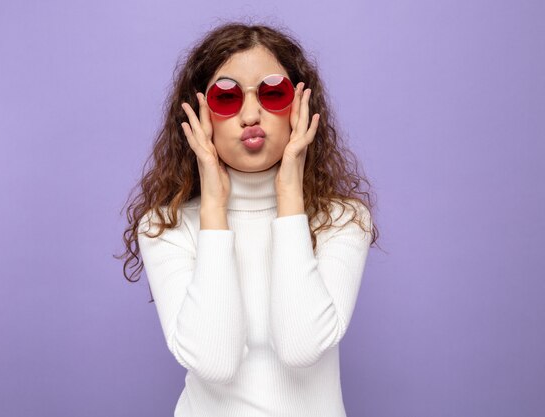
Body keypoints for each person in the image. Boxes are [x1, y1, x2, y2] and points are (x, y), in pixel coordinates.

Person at [117, 21, 379, 417]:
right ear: (198, 113)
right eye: (227, 98)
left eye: (273, 93)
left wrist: (289, 195)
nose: (251, 114)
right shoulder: (165, 226)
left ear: (301, 106)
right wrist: (213, 211)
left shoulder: (342, 220)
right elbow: (213, 362)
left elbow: (301, 348)